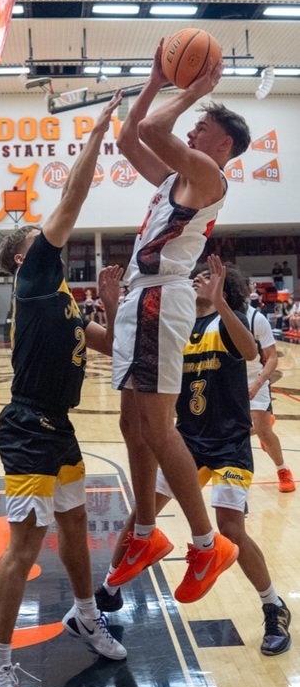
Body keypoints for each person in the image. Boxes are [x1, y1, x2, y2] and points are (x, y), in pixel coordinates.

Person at [0, 92, 127, 687]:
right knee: (25, 547)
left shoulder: (59, 299)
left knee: (74, 527)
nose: (49, 230)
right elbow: (75, 196)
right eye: (38, 234)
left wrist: (111, 307)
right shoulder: (35, 276)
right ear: (22, 255)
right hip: (27, 426)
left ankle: (86, 615)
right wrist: (97, 134)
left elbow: (110, 345)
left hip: (57, 427)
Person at [108, 39, 250, 603]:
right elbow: (128, 137)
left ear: (222, 143)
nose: (191, 131)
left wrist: (189, 89)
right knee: (131, 424)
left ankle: (204, 542)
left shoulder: (208, 178)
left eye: (201, 125)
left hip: (159, 299)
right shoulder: (175, 181)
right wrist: (151, 82)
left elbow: (152, 133)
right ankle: (144, 533)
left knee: (158, 426)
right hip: (139, 299)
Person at [97, 258, 291, 657]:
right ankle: (108, 589)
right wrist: (114, 306)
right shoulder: (177, 326)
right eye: (196, 276)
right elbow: (125, 351)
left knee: (230, 530)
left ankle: (273, 606)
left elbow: (249, 351)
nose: (199, 280)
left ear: (224, 284)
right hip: (187, 441)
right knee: (142, 511)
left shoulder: (232, 319)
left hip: (229, 442)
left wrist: (220, 303)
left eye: (208, 276)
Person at [246, 292, 295, 492]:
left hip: (253, 377)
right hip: (226, 380)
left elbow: (272, 357)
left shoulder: (255, 318)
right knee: (231, 432)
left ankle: (283, 470)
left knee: (264, 432)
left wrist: (258, 383)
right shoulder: (211, 316)